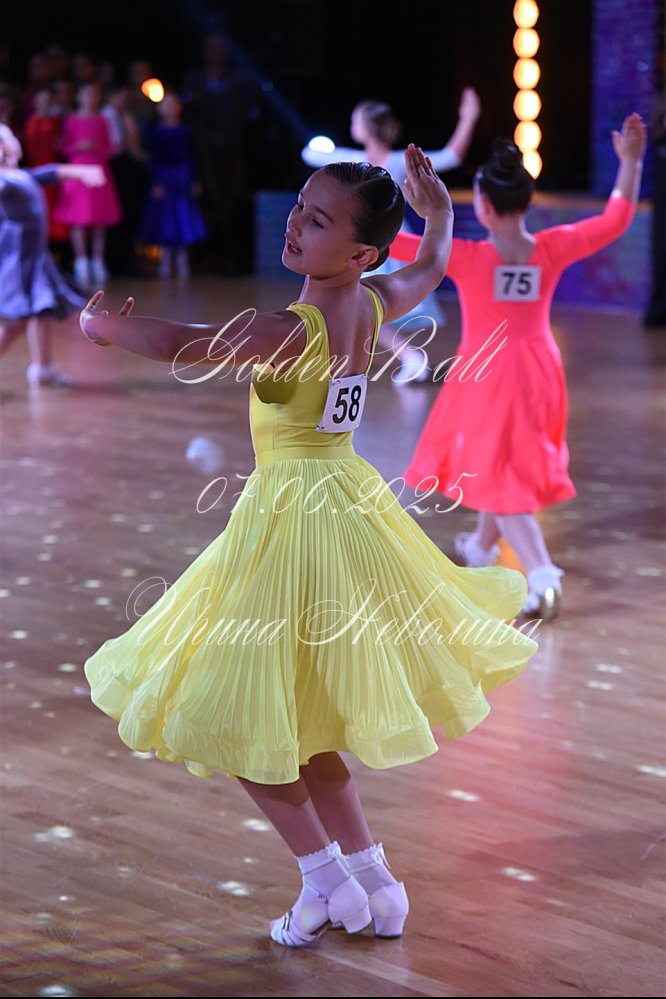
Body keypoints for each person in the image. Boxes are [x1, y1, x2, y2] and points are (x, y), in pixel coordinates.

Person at [78, 146, 539, 947]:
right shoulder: (373, 303)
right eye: (300, 204)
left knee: (228, 711)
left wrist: (101, 325)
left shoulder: (291, 330)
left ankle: (328, 881)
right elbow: (429, 267)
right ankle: (376, 887)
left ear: (359, 253)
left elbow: (186, 342)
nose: (296, 223)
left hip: (290, 525)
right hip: (345, 513)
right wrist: (438, 213)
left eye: (319, 220)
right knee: (303, 724)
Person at [389, 115, 647, 619]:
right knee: (499, 463)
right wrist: (630, 163)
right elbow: (616, 219)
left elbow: (393, 244)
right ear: (527, 203)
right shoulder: (552, 248)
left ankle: (543, 575)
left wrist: (411, 205)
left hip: (487, 376)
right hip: (537, 372)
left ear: (484, 207)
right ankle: (480, 546)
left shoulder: (465, 256)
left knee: (498, 471)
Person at [302, 90, 481, 383]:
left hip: (383, 246)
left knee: (360, 306)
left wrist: (469, 117)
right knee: (363, 307)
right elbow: (452, 155)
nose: (352, 126)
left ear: (366, 128)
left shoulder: (360, 162)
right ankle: (402, 358)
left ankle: (408, 357)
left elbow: (309, 153)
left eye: (355, 121)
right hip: (388, 243)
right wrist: (467, 118)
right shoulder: (385, 160)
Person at [0, 123, 104, 386]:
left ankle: (43, 368)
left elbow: (51, 173)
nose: (14, 141)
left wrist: (81, 171)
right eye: (9, 138)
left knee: (42, 311)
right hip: (20, 258)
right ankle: (42, 368)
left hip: (36, 256)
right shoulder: (6, 180)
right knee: (21, 317)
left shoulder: (22, 176)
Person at [54, 81, 122, 287]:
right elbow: (63, 147)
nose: (90, 98)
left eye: (94, 94)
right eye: (86, 94)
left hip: (99, 169)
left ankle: (98, 261)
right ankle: (81, 261)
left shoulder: (102, 120)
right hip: (77, 169)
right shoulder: (72, 120)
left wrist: (97, 147)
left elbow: (111, 148)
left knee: (100, 219)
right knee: (79, 218)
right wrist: (80, 146)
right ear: (79, 96)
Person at [138, 90, 206, 279]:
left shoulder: (186, 130)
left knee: (183, 217)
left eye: (174, 104)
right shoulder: (155, 132)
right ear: (159, 108)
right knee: (165, 218)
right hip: (164, 177)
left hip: (183, 177)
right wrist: (156, 181)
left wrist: (194, 180)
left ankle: (183, 259)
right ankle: (165, 259)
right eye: (167, 105)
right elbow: (154, 159)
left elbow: (193, 157)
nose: (170, 108)